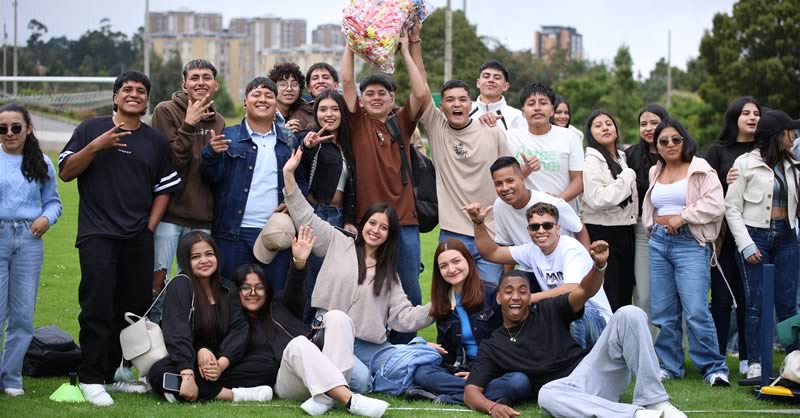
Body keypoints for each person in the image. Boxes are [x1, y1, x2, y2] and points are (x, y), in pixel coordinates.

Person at [58, 71, 182, 406]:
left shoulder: (155, 141)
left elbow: (164, 189)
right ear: (115, 97)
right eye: (127, 89)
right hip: (98, 234)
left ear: (147, 100)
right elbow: (66, 172)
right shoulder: (90, 129)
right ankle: (91, 378)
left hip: (137, 237)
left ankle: (115, 374)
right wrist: (95, 147)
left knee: (131, 310)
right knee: (97, 306)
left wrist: (149, 228)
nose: (134, 94)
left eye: (141, 91)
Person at [282, 146, 434, 394]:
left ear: (389, 235)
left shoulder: (389, 275)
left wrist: (437, 307)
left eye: (383, 228)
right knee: (361, 381)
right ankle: (334, 375)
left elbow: (404, 317)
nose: (376, 230)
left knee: (406, 367)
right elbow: (305, 217)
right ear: (363, 224)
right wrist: (289, 175)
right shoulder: (338, 241)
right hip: (328, 335)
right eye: (372, 223)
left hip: (368, 346)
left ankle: (386, 365)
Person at [463, 261, 686, 418]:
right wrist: (492, 407)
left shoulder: (548, 309)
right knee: (547, 395)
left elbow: (584, 290)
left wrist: (599, 266)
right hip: (565, 393)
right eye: (509, 291)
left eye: (523, 291)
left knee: (629, 312)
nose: (516, 297)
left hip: (595, 374)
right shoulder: (492, 345)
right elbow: (471, 392)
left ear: (530, 296)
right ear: (499, 297)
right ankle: (639, 415)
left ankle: (654, 399)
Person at [233, 228, 389, 417]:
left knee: (337, 317)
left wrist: (299, 262)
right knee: (298, 344)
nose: (253, 293)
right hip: (288, 379)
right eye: (245, 288)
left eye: (259, 287)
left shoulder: (279, 305)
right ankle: (351, 400)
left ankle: (326, 397)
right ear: (236, 291)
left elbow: (295, 287)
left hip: (319, 363)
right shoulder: (236, 323)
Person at [341, 21, 427, 343]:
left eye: (383, 94)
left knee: (410, 289)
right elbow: (346, 80)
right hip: (368, 224)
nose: (376, 98)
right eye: (370, 94)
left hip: (404, 221)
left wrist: (405, 49)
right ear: (362, 100)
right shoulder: (356, 122)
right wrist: (351, 43)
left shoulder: (401, 124)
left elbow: (421, 92)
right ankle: (369, 345)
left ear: (392, 100)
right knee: (366, 289)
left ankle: (406, 351)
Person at [641, 117, 730, 386]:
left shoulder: (700, 168)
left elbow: (716, 204)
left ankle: (714, 368)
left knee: (696, 310)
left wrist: (683, 217)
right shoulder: (655, 171)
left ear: (685, 140)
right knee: (663, 311)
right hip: (658, 243)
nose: (670, 144)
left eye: (675, 139)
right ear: (657, 146)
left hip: (690, 243)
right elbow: (653, 206)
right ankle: (669, 365)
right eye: (663, 141)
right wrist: (652, 225)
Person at [200, 76, 307, 290]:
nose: (263, 99)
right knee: (230, 293)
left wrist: (292, 204)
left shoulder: (289, 140)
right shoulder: (228, 136)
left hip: (275, 232)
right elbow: (211, 177)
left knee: (273, 294)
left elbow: (301, 180)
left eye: (269, 95)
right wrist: (211, 154)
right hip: (232, 233)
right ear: (245, 102)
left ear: (276, 104)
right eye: (256, 94)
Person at [148, 232, 273, 403]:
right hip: (187, 360)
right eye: (196, 257)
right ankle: (234, 395)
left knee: (267, 366)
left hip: (220, 360)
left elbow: (239, 328)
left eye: (209, 254)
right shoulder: (180, 285)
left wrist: (221, 364)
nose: (204, 260)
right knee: (158, 372)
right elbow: (177, 331)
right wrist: (188, 371)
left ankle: (182, 389)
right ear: (185, 260)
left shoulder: (228, 288)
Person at [469, 202, 612, 348]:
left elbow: (572, 289)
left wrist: (529, 298)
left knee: (565, 316)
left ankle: (574, 362)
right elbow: (491, 253)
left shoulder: (570, 247)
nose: (541, 231)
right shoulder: (532, 250)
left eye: (547, 225)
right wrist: (478, 223)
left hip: (595, 318)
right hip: (560, 314)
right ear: (528, 230)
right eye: (535, 227)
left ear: (558, 228)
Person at [407, 239, 532, 406]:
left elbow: (509, 342)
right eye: (444, 266)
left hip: (495, 368)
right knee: (422, 373)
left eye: (456, 261)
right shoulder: (443, 304)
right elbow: (447, 354)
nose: (451, 269)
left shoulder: (492, 295)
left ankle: (447, 398)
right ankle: (484, 394)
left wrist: (480, 374)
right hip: (462, 370)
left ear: (468, 261)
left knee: (518, 381)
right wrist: (425, 347)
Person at [416, 73, 513, 283]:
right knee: (454, 296)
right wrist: (412, 52)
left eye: (462, 99)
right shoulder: (437, 128)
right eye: (450, 100)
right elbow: (421, 87)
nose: (456, 104)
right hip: (452, 232)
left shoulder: (492, 130)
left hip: (491, 231)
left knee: (489, 295)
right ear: (441, 106)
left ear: (471, 104)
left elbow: (510, 176)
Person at [724, 109, 800, 379]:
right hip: (754, 235)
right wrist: (745, 245)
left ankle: (794, 361)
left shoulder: (794, 164)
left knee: (788, 305)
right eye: (790, 131)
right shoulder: (744, 164)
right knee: (755, 303)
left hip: (787, 237)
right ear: (777, 135)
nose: (795, 135)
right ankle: (755, 362)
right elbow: (731, 208)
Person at [149, 59, 226, 323]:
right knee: (158, 279)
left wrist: (214, 156)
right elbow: (170, 164)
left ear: (215, 85)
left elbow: (213, 173)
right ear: (184, 84)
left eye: (206, 77)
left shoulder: (218, 121)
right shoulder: (166, 111)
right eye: (194, 78)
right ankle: (154, 334)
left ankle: (185, 334)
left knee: (194, 284)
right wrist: (189, 124)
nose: (201, 82)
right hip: (169, 213)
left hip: (201, 217)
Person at [0, 103, 62, 396]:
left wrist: (46, 219)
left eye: (16, 127)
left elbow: (53, 202)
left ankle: (11, 377)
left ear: (28, 129)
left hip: (29, 240)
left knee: (23, 314)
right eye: (2, 128)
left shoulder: (42, 163)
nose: (9, 133)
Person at [705, 96, 760, 375]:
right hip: (725, 236)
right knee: (722, 299)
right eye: (746, 113)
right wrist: (723, 182)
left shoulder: (765, 150)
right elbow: (704, 189)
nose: (752, 117)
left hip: (758, 234)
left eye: (756, 113)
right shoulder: (718, 150)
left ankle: (750, 357)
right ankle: (717, 358)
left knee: (750, 299)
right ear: (734, 118)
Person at [297, 90, 357, 322]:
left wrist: (349, 219)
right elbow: (299, 169)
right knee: (313, 281)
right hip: (318, 215)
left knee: (337, 281)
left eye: (334, 109)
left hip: (340, 218)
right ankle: (305, 331)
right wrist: (307, 147)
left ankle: (329, 331)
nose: (329, 114)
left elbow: (352, 187)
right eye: (323, 109)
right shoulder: (310, 138)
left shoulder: (347, 144)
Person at [483, 83, 584, 211]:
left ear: (552, 110)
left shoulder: (570, 136)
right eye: (531, 104)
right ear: (523, 112)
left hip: (561, 212)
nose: (537, 108)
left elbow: (579, 180)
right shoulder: (509, 137)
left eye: (543, 103)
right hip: (522, 213)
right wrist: (526, 169)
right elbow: (502, 179)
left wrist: (556, 201)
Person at [489, 156, 590, 272]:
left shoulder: (552, 203)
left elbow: (580, 229)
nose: (505, 188)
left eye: (510, 181)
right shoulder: (499, 205)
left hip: (562, 266)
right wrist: (507, 277)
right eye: (498, 184)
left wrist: (586, 268)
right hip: (529, 268)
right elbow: (506, 246)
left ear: (522, 179)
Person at [581, 110, 637, 311]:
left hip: (626, 229)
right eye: (598, 125)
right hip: (602, 230)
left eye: (608, 123)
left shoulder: (623, 157)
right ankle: (609, 332)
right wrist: (628, 176)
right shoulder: (591, 160)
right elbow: (597, 198)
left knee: (625, 292)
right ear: (590, 133)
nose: (605, 128)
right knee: (609, 293)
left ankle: (624, 331)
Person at [625, 104, 669, 337]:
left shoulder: (678, 151)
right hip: (642, 229)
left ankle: (673, 348)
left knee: (672, 293)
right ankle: (647, 345)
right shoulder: (630, 155)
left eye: (654, 122)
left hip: (676, 228)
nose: (649, 128)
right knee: (644, 293)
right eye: (643, 124)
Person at [469, 60, 526, 130]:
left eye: (497, 78)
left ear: (505, 86)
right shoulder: (464, 111)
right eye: (486, 76)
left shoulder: (517, 117)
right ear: (478, 83)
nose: (491, 80)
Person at [269, 62, 315, 134]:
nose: (289, 89)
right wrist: (284, 132)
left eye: (294, 84)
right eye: (283, 84)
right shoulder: (266, 115)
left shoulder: (306, 112)